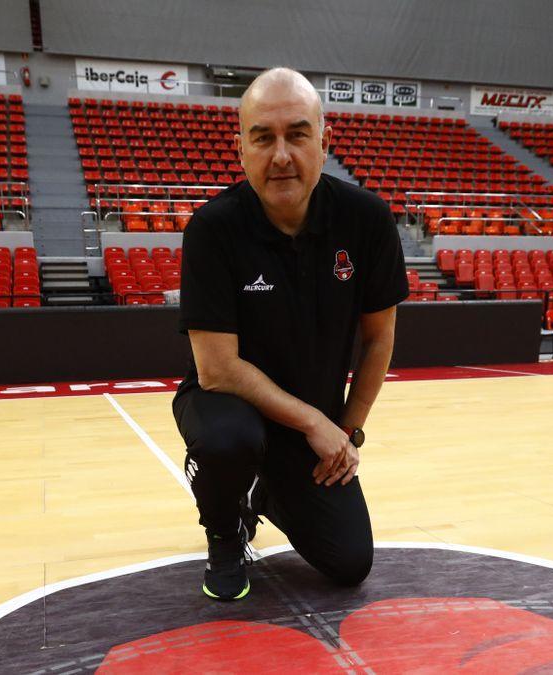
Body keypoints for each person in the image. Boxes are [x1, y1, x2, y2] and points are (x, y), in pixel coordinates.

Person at [173, 67, 408, 601]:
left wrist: (347, 434)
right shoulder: (213, 229)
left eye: (297, 135)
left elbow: (378, 339)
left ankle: (266, 491)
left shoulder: (366, 221)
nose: (281, 155)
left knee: (349, 562)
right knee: (227, 441)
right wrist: (315, 423)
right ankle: (226, 529)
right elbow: (217, 369)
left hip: (311, 424)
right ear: (241, 151)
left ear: (325, 143)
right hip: (225, 405)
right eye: (263, 138)